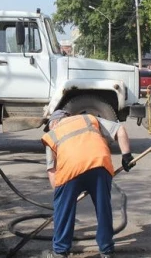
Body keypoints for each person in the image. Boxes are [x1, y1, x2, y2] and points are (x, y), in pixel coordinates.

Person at [41, 110, 134, 258]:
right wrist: (126, 155)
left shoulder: (52, 134)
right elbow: (120, 129)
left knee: (63, 210)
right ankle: (106, 250)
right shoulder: (88, 119)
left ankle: (59, 251)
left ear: (54, 122)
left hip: (70, 169)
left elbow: (52, 171)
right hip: (99, 163)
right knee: (103, 207)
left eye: (49, 125)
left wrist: (62, 199)